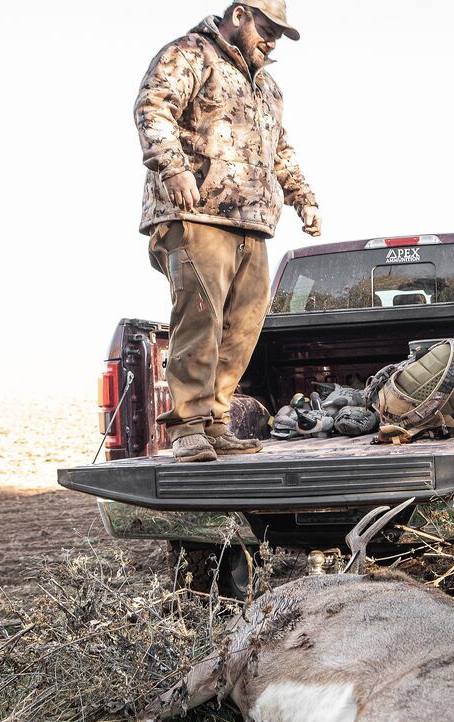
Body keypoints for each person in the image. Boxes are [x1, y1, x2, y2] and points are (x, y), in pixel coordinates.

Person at [135, 0, 322, 463]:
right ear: (239, 15)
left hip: (253, 223)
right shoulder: (191, 53)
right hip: (196, 214)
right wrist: (174, 169)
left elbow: (281, 148)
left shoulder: (270, 88)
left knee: (243, 327)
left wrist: (304, 198)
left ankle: (216, 422)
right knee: (200, 320)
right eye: (268, 28)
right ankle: (187, 428)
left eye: (280, 33)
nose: (273, 40)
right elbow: (153, 107)